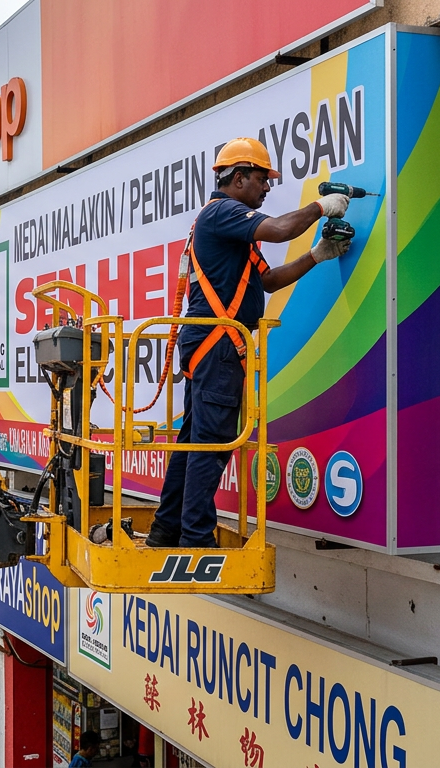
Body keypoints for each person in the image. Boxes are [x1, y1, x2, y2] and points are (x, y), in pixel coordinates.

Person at [147, 137, 351, 549]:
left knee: (194, 442)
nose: (267, 187)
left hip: (212, 345)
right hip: (218, 346)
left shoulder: (229, 229)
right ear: (238, 178)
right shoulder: (223, 212)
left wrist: (317, 255)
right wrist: (320, 207)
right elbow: (279, 230)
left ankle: (167, 529)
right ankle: (195, 539)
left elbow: (267, 280)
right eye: (262, 179)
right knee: (211, 445)